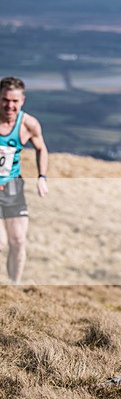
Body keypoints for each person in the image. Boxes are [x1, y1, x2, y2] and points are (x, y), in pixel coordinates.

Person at [0, 77, 49, 284]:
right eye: (4, 100)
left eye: (14, 101)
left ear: (23, 100)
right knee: (0, 243)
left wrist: (42, 177)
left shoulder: (28, 124)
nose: (9, 106)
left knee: (18, 240)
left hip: (13, 187)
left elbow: (41, 148)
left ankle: (14, 286)